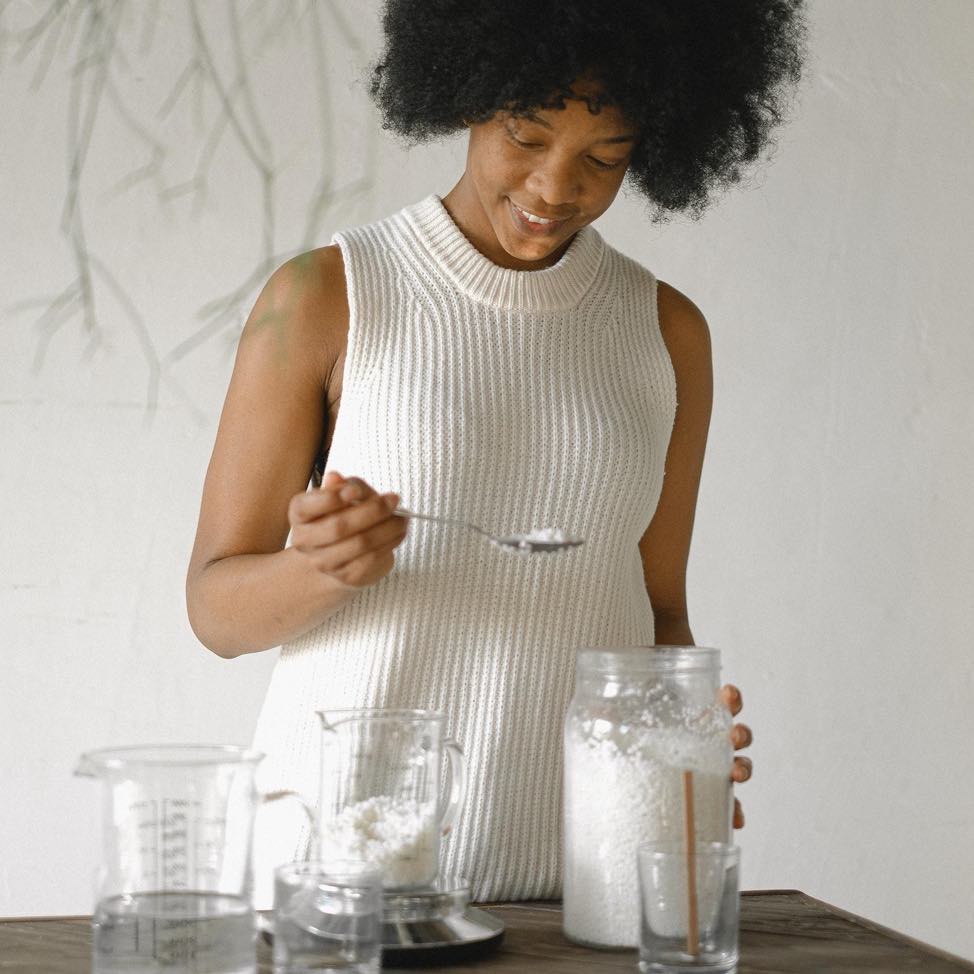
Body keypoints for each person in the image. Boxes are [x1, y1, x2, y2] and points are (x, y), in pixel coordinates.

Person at [186, 0, 805, 907]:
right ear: (465, 95)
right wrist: (320, 568)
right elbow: (214, 610)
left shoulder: (668, 333)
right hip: (344, 883)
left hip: (582, 889)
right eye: (526, 134)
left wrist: (681, 731)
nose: (556, 187)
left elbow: (657, 607)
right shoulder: (327, 294)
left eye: (606, 155)